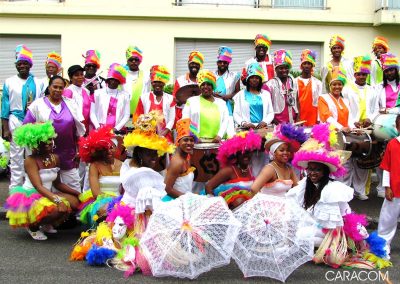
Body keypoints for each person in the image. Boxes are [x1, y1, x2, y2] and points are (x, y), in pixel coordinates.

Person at [4, 122, 80, 240]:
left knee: (74, 202)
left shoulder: (55, 158)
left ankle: (46, 223)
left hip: (47, 193)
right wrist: (58, 200)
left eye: (50, 140)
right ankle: (33, 227)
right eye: (45, 142)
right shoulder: (30, 160)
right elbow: (39, 187)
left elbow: (58, 184)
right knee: (56, 209)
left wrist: (78, 193)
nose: (50, 144)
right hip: (32, 195)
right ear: (35, 144)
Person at [287, 123, 351, 246]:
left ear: (325, 171)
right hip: (312, 227)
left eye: (317, 170)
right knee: (295, 233)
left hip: (330, 231)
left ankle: (329, 246)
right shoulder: (304, 185)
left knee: (301, 236)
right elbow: (295, 209)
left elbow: (346, 214)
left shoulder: (333, 189)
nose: (312, 173)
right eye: (310, 169)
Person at [24, 75, 86, 193]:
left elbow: (78, 129)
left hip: (68, 153)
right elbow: (26, 129)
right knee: (48, 188)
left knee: (74, 187)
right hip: (45, 155)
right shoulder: (37, 105)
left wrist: (79, 150)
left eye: (61, 88)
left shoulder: (71, 104)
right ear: (49, 87)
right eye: (55, 87)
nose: (57, 90)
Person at [1, 44, 43, 189]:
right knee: (16, 157)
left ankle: (31, 188)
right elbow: (5, 108)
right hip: (15, 120)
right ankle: (15, 190)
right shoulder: (9, 82)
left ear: (30, 65)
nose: (22, 66)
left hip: (33, 122)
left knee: (32, 155)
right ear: (16, 65)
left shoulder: (39, 83)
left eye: (25, 63)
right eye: (20, 63)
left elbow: (42, 104)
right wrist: (5, 129)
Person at [341, 55, 380, 200]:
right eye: (359, 74)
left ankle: (360, 190)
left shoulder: (372, 90)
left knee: (363, 161)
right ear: (355, 74)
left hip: (368, 129)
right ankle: (345, 190)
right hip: (352, 128)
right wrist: (353, 122)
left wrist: (370, 119)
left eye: (364, 74)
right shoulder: (346, 89)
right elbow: (345, 108)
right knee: (348, 160)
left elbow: (375, 108)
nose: (362, 76)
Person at [205, 130, 262, 209]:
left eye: (248, 152)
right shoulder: (229, 170)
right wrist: (215, 207)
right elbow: (209, 186)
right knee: (239, 201)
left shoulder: (251, 169)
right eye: (242, 152)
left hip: (247, 208)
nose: (246, 155)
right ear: (236, 155)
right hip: (231, 209)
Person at [78, 126, 122, 226]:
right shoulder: (95, 166)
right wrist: (113, 202)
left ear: (116, 148)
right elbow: (96, 193)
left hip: (120, 199)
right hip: (100, 199)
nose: (109, 151)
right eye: (106, 148)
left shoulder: (123, 165)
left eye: (112, 147)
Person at [251, 124, 306, 197]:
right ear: (273, 153)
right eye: (281, 150)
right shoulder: (270, 169)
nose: (286, 153)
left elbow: (297, 188)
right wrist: (263, 204)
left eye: (288, 150)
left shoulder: (288, 168)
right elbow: (254, 189)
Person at [182, 70, 229, 142]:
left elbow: (225, 121)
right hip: (197, 142)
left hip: (217, 142)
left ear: (213, 86)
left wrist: (219, 136)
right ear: (199, 86)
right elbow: (185, 120)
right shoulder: (191, 101)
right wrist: (194, 137)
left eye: (209, 84)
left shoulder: (221, 103)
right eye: (203, 84)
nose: (205, 87)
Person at [378, 114, 400, 259]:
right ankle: (383, 244)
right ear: (397, 127)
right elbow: (387, 167)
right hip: (395, 189)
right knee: (388, 219)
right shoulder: (393, 144)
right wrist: (387, 187)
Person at [134, 65, 175, 142]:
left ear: (164, 83)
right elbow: (138, 117)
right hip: (146, 135)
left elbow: (171, 120)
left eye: (160, 82)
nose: (157, 84)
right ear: (152, 83)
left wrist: (162, 134)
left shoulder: (170, 98)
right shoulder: (143, 97)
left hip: (165, 135)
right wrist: (145, 131)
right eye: (155, 82)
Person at [90, 63, 130, 132]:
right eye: (111, 79)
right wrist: (97, 127)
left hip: (117, 131)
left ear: (120, 82)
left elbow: (126, 115)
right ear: (107, 80)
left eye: (116, 80)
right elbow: (92, 113)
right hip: (99, 130)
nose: (113, 82)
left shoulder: (125, 96)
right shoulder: (97, 93)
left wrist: (116, 128)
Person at [163, 118, 196, 201]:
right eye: (185, 140)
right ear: (178, 141)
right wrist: (189, 199)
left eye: (191, 140)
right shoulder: (177, 162)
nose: (189, 143)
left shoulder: (186, 158)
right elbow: (167, 189)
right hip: (176, 203)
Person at [233, 62, 274, 130]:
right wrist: (244, 123)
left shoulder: (266, 94)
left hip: (263, 128)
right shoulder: (240, 95)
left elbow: (271, 112)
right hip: (246, 130)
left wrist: (265, 122)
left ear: (260, 80)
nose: (254, 80)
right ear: (248, 80)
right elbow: (236, 114)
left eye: (257, 78)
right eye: (252, 77)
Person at [266, 49, 298, 124]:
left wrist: (298, 116)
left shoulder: (293, 81)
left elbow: (297, 100)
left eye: (286, 67)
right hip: (277, 124)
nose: (284, 70)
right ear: (275, 69)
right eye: (281, 68)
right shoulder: (269, 85)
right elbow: (267, 107)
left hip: (293, 122)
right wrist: (274, 121)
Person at [293, 49, 322, 127]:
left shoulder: (318, 83)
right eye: (304, 63)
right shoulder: (294, 81)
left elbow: (320, 102)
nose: (306, 65)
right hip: (299, 117)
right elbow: (293, 101)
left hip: (313, 117)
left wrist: (319, 119)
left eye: (309, 63)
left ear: (312, 65)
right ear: (301, 65)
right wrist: (297, 116)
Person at [318, 66, 352, 132]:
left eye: (339, 84)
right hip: (329, 134)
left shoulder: (346, 101)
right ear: (330, 86)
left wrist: (353, 128)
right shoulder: (323, 98)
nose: (337, 87)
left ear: (342, 86)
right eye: (334, 84)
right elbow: (327, 117)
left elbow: (350, 118)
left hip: (345, 134)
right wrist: (341, 128)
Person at [63, 64, 92, 135]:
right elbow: (69, 113)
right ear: (70, 77)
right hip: (75, 129)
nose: (80, 77)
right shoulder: (68, 91)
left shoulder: (86, 91)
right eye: (76, 75)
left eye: (81, 74)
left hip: (87, 127)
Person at [123, 45, 150, 114]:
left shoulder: (146, 76)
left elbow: (148, 94)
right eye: (131, 60)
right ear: (127, 61)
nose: (134, 61)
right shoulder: (122, 75)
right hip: (124, 115)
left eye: (136, 59)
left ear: (140, 61)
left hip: (141, 115)